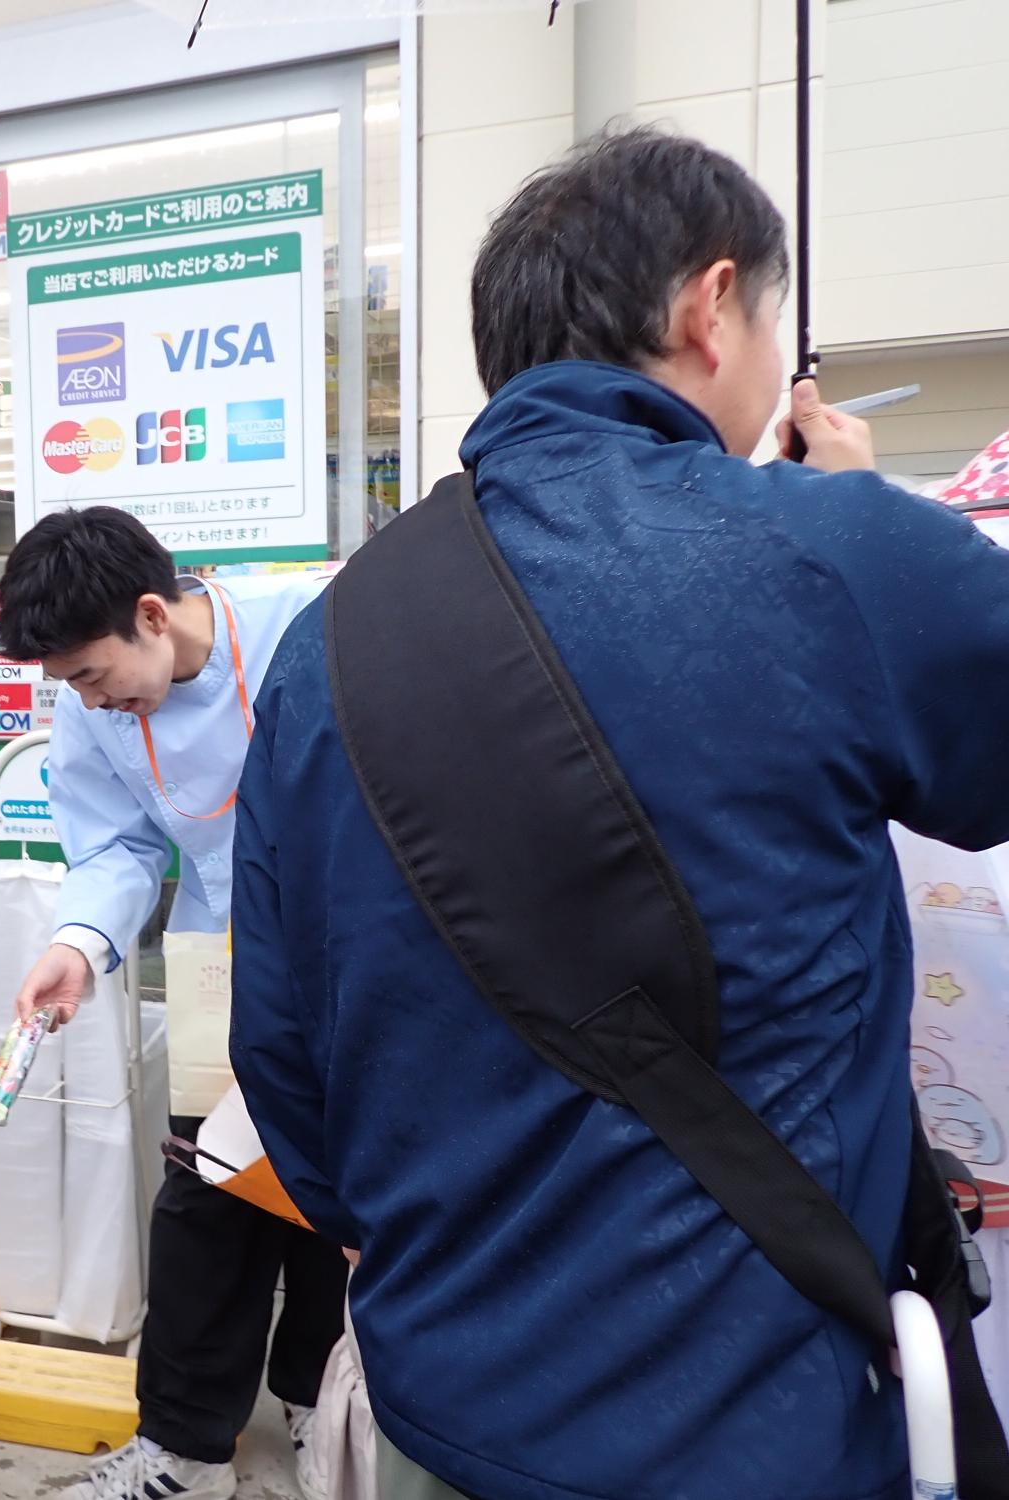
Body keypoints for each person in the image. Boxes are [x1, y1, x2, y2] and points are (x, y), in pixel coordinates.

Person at [231, 127, 1009, 1500]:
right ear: (711, 308)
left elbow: (284, 1060)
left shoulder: (327, 643)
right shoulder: (835, 552)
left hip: (441, 1419)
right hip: (753, 1433)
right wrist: (863, 527)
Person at [0, 507, 343, 1500]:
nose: (87, 702)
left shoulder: (308, 626)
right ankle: (184, 1448)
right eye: (67, 685)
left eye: (91, 675)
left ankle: (324, 1405)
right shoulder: (88, 708)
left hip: (342, 954)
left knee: (334, 1195)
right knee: (207, 1190)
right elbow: (111, 847)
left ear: (152, 614)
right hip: (216, 967)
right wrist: (77, 943)